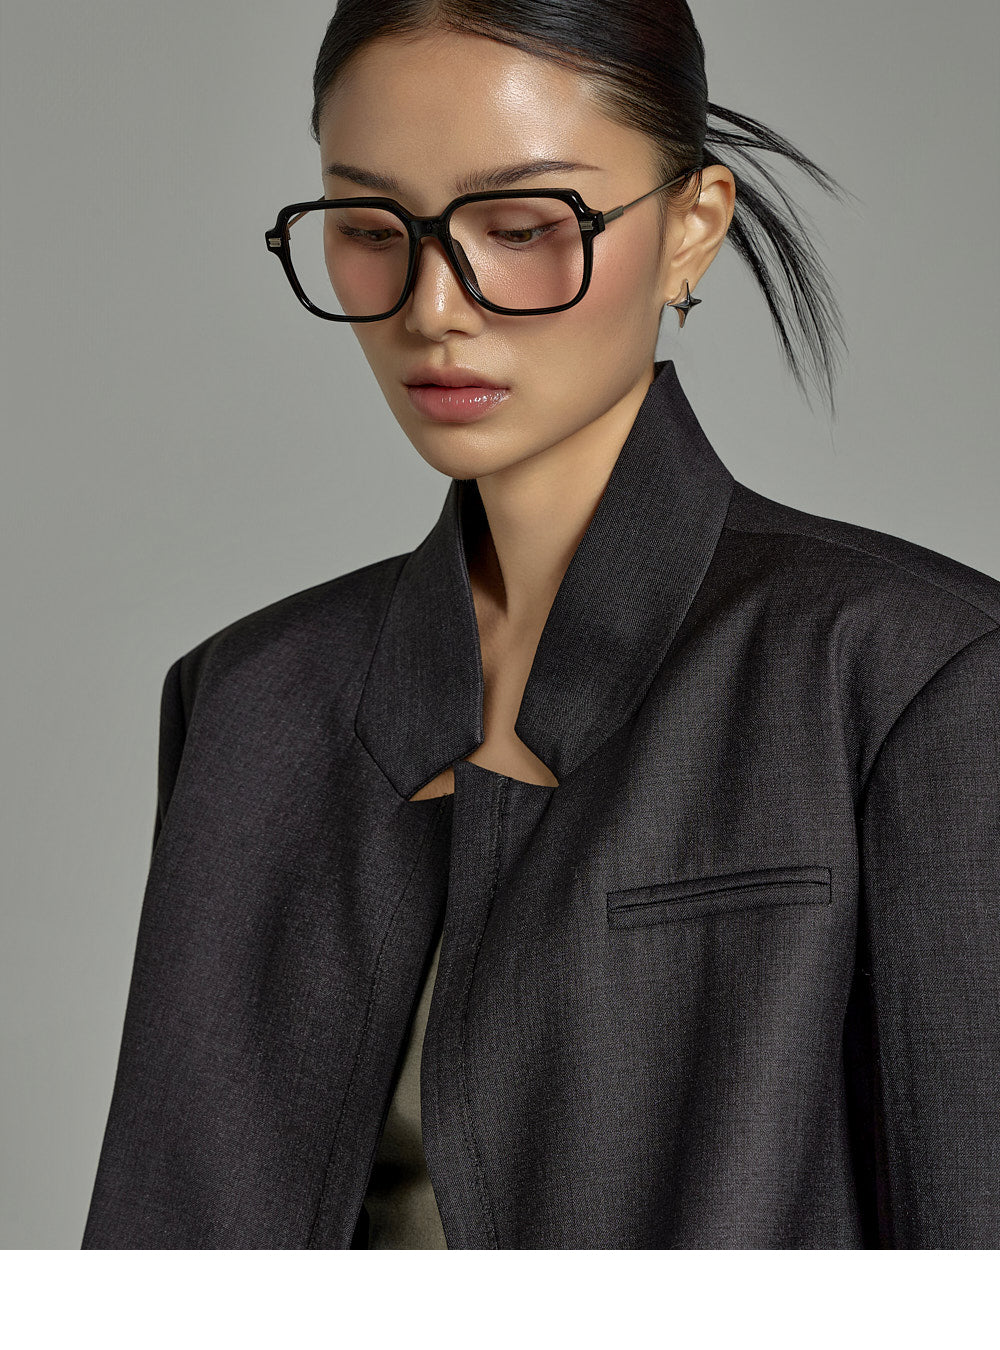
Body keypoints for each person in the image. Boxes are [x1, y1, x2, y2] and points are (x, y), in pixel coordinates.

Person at [82, 1, 1000, 1250]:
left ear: (691, 229)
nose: (432, 307)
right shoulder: (249, 699)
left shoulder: (913, 674)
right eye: (369, 229)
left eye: (520, 228)